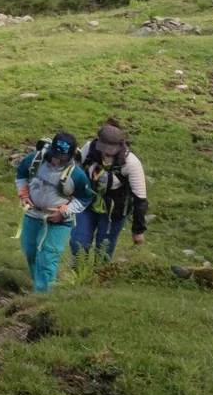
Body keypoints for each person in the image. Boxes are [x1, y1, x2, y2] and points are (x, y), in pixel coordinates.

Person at [15, 130, 95, 292]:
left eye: (62, 158)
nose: (56, 160)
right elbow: (21, 174)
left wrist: (64, 212)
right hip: (33, 214)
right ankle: (39, 284)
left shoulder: (77, 175)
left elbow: (85, 198)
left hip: (58, 222)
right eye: (55, 155)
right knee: (30, 249)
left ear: (71, 156)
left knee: (47, 257)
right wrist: (23, 193)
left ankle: (42, 296)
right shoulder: (35, 159)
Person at [71, 119, 148, 262]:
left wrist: (138, 230)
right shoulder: (89, 149)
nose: (108, 154)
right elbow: (75, 169)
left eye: (112, 151)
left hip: (114, 211)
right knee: (78, 244)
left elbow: (140, 199)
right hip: (87, 203)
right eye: (105, 150)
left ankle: (98, 278)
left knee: (103, 250)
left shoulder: (131, 163)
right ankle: (78, 277)